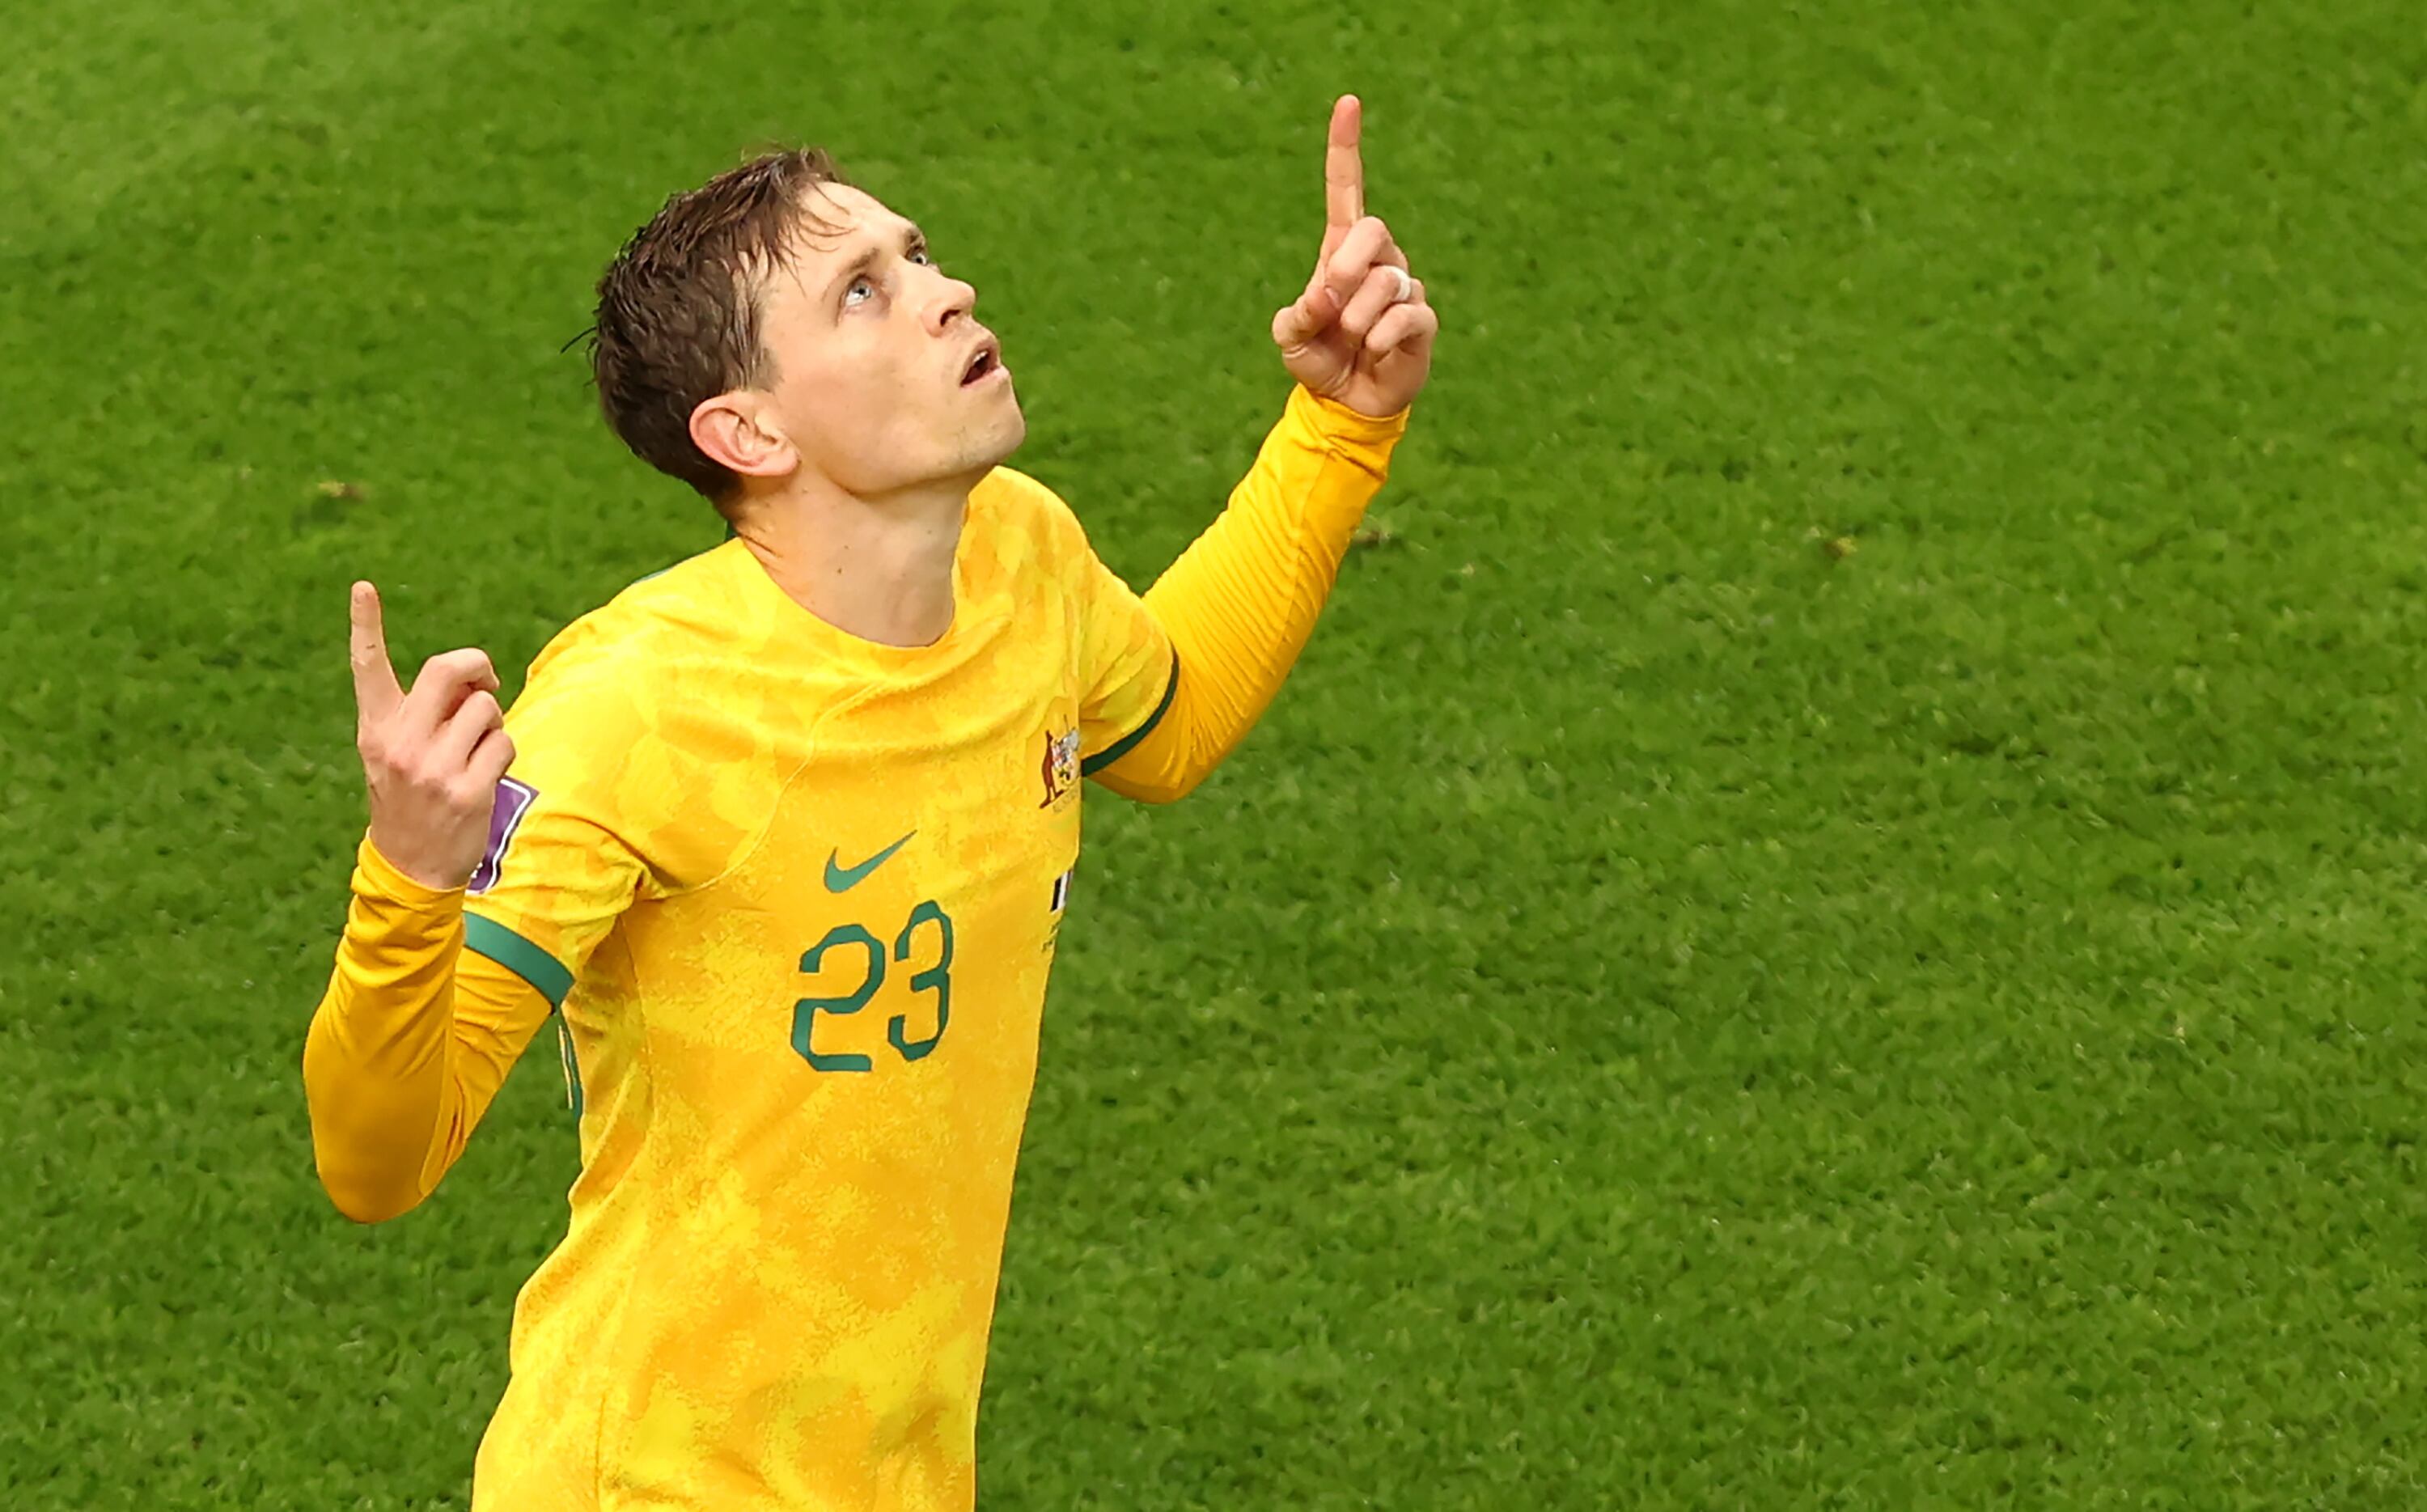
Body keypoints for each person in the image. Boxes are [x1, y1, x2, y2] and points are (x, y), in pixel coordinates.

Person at [302, 94, 1435, 1510]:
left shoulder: (1018, 559)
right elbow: (377, 1159)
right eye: (863, 292)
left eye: (919, 256)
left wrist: (1336, 428)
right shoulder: (634, 709)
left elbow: (1173, 717)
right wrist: (406, 879)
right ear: (748, 429)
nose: (946, 292)